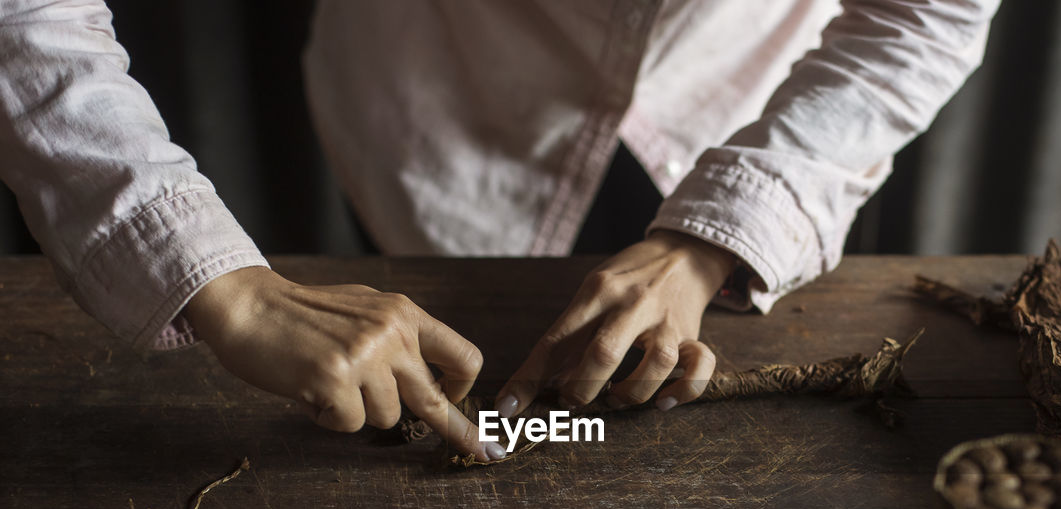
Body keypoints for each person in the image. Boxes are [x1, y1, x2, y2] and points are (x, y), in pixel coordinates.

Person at [0, 0, 1000, 462]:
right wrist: (217, 278)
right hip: (430, 105)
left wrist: (712, 236)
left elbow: (927, 15)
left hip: (740, 104)